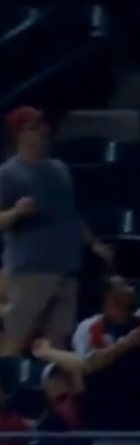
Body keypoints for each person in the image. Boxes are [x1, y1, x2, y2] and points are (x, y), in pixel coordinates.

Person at [0, 106, 113, 355]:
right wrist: (16, 213)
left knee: (57, 344)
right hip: (30, 270)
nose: (42, 131)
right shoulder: (8, 174)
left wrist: (93, 243)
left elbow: (69, 214)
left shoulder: (59, 169)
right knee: (15, 339)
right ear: (19, 134)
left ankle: (48, 393)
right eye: (34, 127)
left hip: (66, 269)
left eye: (43, 124)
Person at [70, 276, 140, 429]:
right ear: (110, 297)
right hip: (105, 409)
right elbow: (88, 365)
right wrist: (126, 344)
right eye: (125, 286)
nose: (132, 290)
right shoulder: (89, 327)